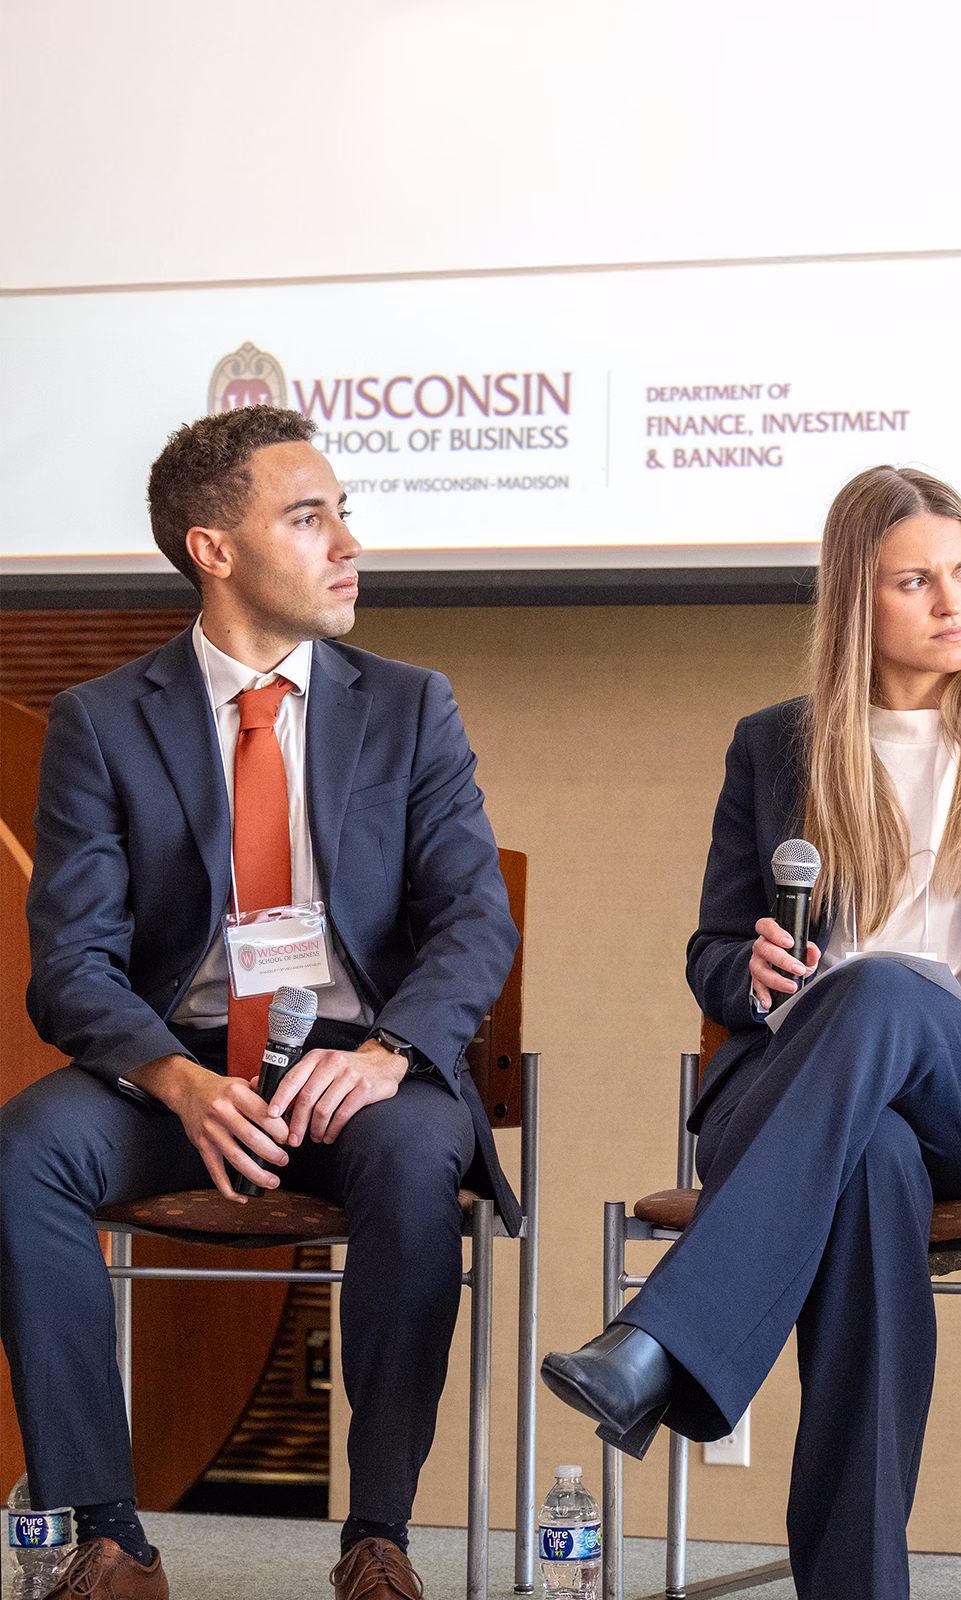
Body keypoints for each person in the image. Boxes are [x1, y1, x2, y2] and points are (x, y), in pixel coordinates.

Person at [540, 465, 961, 1599]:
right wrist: (751, 965)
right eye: (916, 580)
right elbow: (712, 955)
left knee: (880, 990)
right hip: (797, 1091)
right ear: (854, 603)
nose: (954, 600)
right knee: (868, 1163)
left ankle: (661, 1340)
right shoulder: (776, 746)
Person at [5, 405, 521, 1600]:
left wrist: (395, 1050)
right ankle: (110, 1535)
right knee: (27, 1148)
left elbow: (473, 919)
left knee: (410, 1161)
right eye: (309, 516)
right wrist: (179, 1082)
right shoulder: (101, 720)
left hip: (361, 1066)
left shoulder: (409, 703)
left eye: (345, 513)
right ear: (214, 549)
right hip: (177, 1063)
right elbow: (70, 964)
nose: (348, 543)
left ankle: (376, 1535)